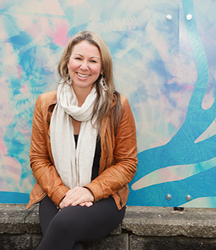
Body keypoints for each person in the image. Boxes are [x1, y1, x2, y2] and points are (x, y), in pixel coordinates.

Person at [26, 30, 138, 250]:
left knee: (65, 223)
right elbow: (38, 159)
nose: (84, 66)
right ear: (68, 61)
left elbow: (127, 164)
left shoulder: (118, 106)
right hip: (56, 193)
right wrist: (63, 195)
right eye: (78, 58)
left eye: (93, 61)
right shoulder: (46, 104)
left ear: (102, 68)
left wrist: (89, 191)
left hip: (104, 198)